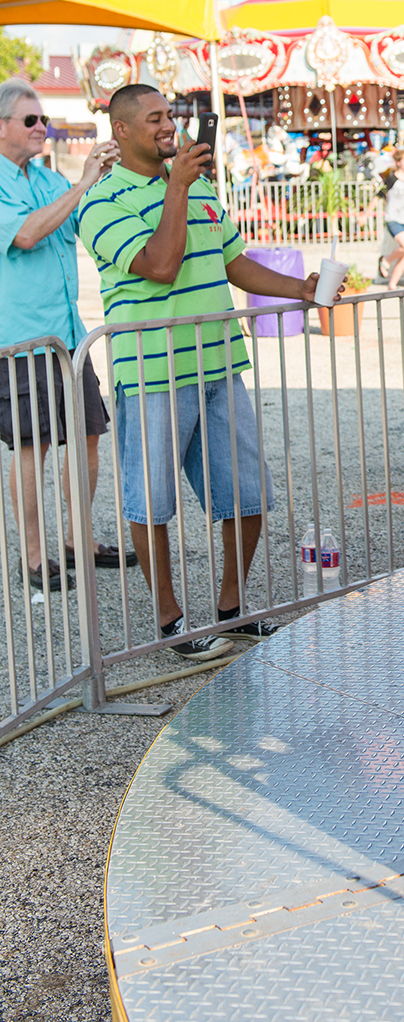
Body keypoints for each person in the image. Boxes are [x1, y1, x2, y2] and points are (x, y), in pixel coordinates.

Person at [78, 86, 330, 660]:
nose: (170, 127)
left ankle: (231, 611)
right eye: (155, 119)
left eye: (171, 116)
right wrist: (175, 189)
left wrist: (299, 289)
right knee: (151, 503)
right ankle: (171, 623)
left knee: (246, 493)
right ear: (120, 130)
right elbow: (160, 267)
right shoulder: (101, 201)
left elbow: (233, 262)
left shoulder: (202, 186)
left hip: (219, 362)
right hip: (150, 373)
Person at [0, 79, 130, 592]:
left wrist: (106, 179)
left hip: (68, 332)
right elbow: (28, 234)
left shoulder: (48, 179)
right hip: (23, 337)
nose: (41, 128)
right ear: (3, 125)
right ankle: (35, 556)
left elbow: (81, 219)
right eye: (31, 120)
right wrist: (82, 182)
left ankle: (79, 540)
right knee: (32, 448)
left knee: (88, 436)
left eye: (43, 120)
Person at [376, 147, 404, 290]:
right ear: (399, 162)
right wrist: (365, 214)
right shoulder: (392, 178)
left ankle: (392, 284)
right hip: (392, 218)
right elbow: (378, 196)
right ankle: (386, 259)